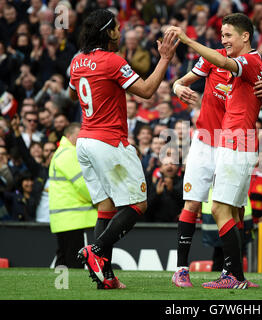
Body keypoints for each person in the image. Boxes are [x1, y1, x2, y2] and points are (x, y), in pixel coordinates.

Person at [68, 9, 179, 289]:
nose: (120, 32)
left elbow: (72, 93)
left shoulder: (77, 60)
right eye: (117, 28)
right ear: (108, 33)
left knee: (105, 208)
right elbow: (146, 91)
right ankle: (96, 249)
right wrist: (165, 58)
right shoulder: (113, 61)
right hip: (109, 141)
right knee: (137, 204)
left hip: (84, 140)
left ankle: (107, 278)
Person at [166, 13, 262, 289]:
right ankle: (198, 271)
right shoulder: (250, 64)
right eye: (222, 35)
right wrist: (177, 85)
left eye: (228, 35)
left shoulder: (246, 62)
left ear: (245, 36)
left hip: (235, 142)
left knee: (223, 209)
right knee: (212, 206)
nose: (223, 40)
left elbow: (227, 63)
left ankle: (234, 275)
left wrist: (188, 40)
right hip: (216, 140)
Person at [48, 123, 97, 269]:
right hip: (73, 217)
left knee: (63, 260)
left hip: (65, 218)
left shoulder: (62, 153)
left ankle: (60, 289)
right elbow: (83, 184)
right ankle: (67, 289)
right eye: (79, 135)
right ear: (69, 136)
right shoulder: (69, 154)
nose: (83, 138)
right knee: (73, 261)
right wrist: (99, 200)